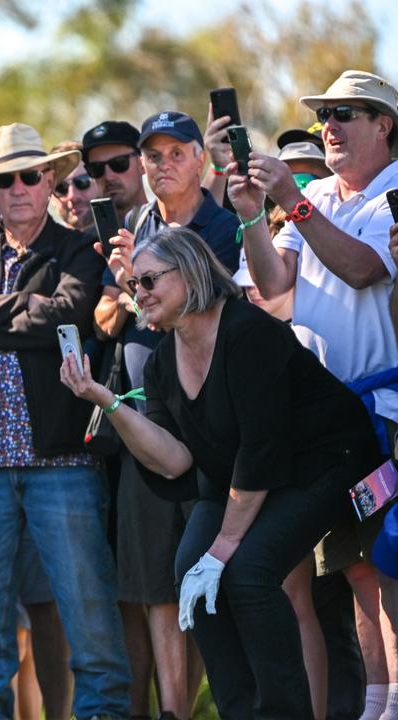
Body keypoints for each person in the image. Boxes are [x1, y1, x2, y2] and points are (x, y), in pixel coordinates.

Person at [60, 226, 381, 718]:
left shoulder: (247, 331)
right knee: (190, 568)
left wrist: (223, 549)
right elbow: (174, 460)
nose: (138, 293)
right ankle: (240, 710)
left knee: (248, 572)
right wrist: (106, 401)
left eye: (148, 281)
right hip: (242, 474)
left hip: (323, 460)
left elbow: (263, 445)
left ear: (188, 273)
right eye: (134, 285)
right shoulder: (163, 359)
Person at [0, 122, 129, 719]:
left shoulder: (78, 250)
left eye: (29, 175)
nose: (17, 187)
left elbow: (68, 314)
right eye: (3, 179)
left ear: (48, 181)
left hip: (63, 461)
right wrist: (24, 309)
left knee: (90, 622)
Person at [234, 69, 398, 720]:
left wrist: (294, 203)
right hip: (320, 422)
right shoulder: (318, 195)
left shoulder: (393, 193)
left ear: (385, 125)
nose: (329, 124)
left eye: (346, 113)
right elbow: (273, 290)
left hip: (383, 415)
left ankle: (384, 707)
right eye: (324, 112)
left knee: (380, 572)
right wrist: (253, 212)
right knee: (314, 574)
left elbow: (362, 270)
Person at [93, 109, 239, 720]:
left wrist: (159, 284)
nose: (162, 164)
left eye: (176, 152)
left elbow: (234, 303)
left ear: (201, 159)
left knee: (206, 580)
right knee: (154, 583)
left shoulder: (226, 222)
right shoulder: (135, 227)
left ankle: (194, 705)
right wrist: (131, 283)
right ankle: (174, 712)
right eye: (152, 155)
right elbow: (104, 320)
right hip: (142, 422)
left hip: (210, 423)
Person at [81, 120, 148, 221]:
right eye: (97, 168)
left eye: (119, 163)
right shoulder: (88, 237)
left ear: (142, 164)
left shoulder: (172, 229)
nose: (108, 176)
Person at [51, 140, 102, 232]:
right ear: (50, 198)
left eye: (82, 182)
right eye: (60, 188)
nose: (72, 196)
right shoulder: (33, 245)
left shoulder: (132, 237)